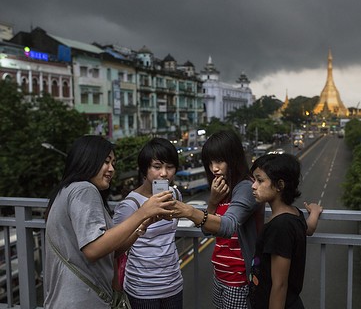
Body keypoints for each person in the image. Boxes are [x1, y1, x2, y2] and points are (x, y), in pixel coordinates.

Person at [44, 135, 175, 309]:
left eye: (113, 163)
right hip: (81, 300)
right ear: (87, 161)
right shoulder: (84, 190)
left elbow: (111, 251)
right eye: (106, 162)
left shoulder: (68, 190)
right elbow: (94, 249)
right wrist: (142, 212)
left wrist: (143, 224)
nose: (111, 169)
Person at [171, 129, 265, 308]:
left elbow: (228, 226)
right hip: (220, 275)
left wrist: (188, 211)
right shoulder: (222, 188)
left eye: (220, 161)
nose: (214, 168)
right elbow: (208, 230)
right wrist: (213, 201)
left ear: (234, 159)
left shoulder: (245, 188)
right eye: (210, 162)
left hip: (238, 280)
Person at [113, 137, 184, 308]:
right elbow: (114, 248)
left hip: (173, 284)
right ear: (145, 169)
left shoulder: (175, 195)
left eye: (170, 167)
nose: (164, 173)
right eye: (157, 166)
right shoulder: (130, 204)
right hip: (142, 289)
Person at [248, 153, 323, 309]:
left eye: (260, 181)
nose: (253, 186)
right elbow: (308, 229)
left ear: (279, 185)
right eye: (254, 180)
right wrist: (314, 212)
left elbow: (280, 284)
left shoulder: (280, 226)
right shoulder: (294, 213)